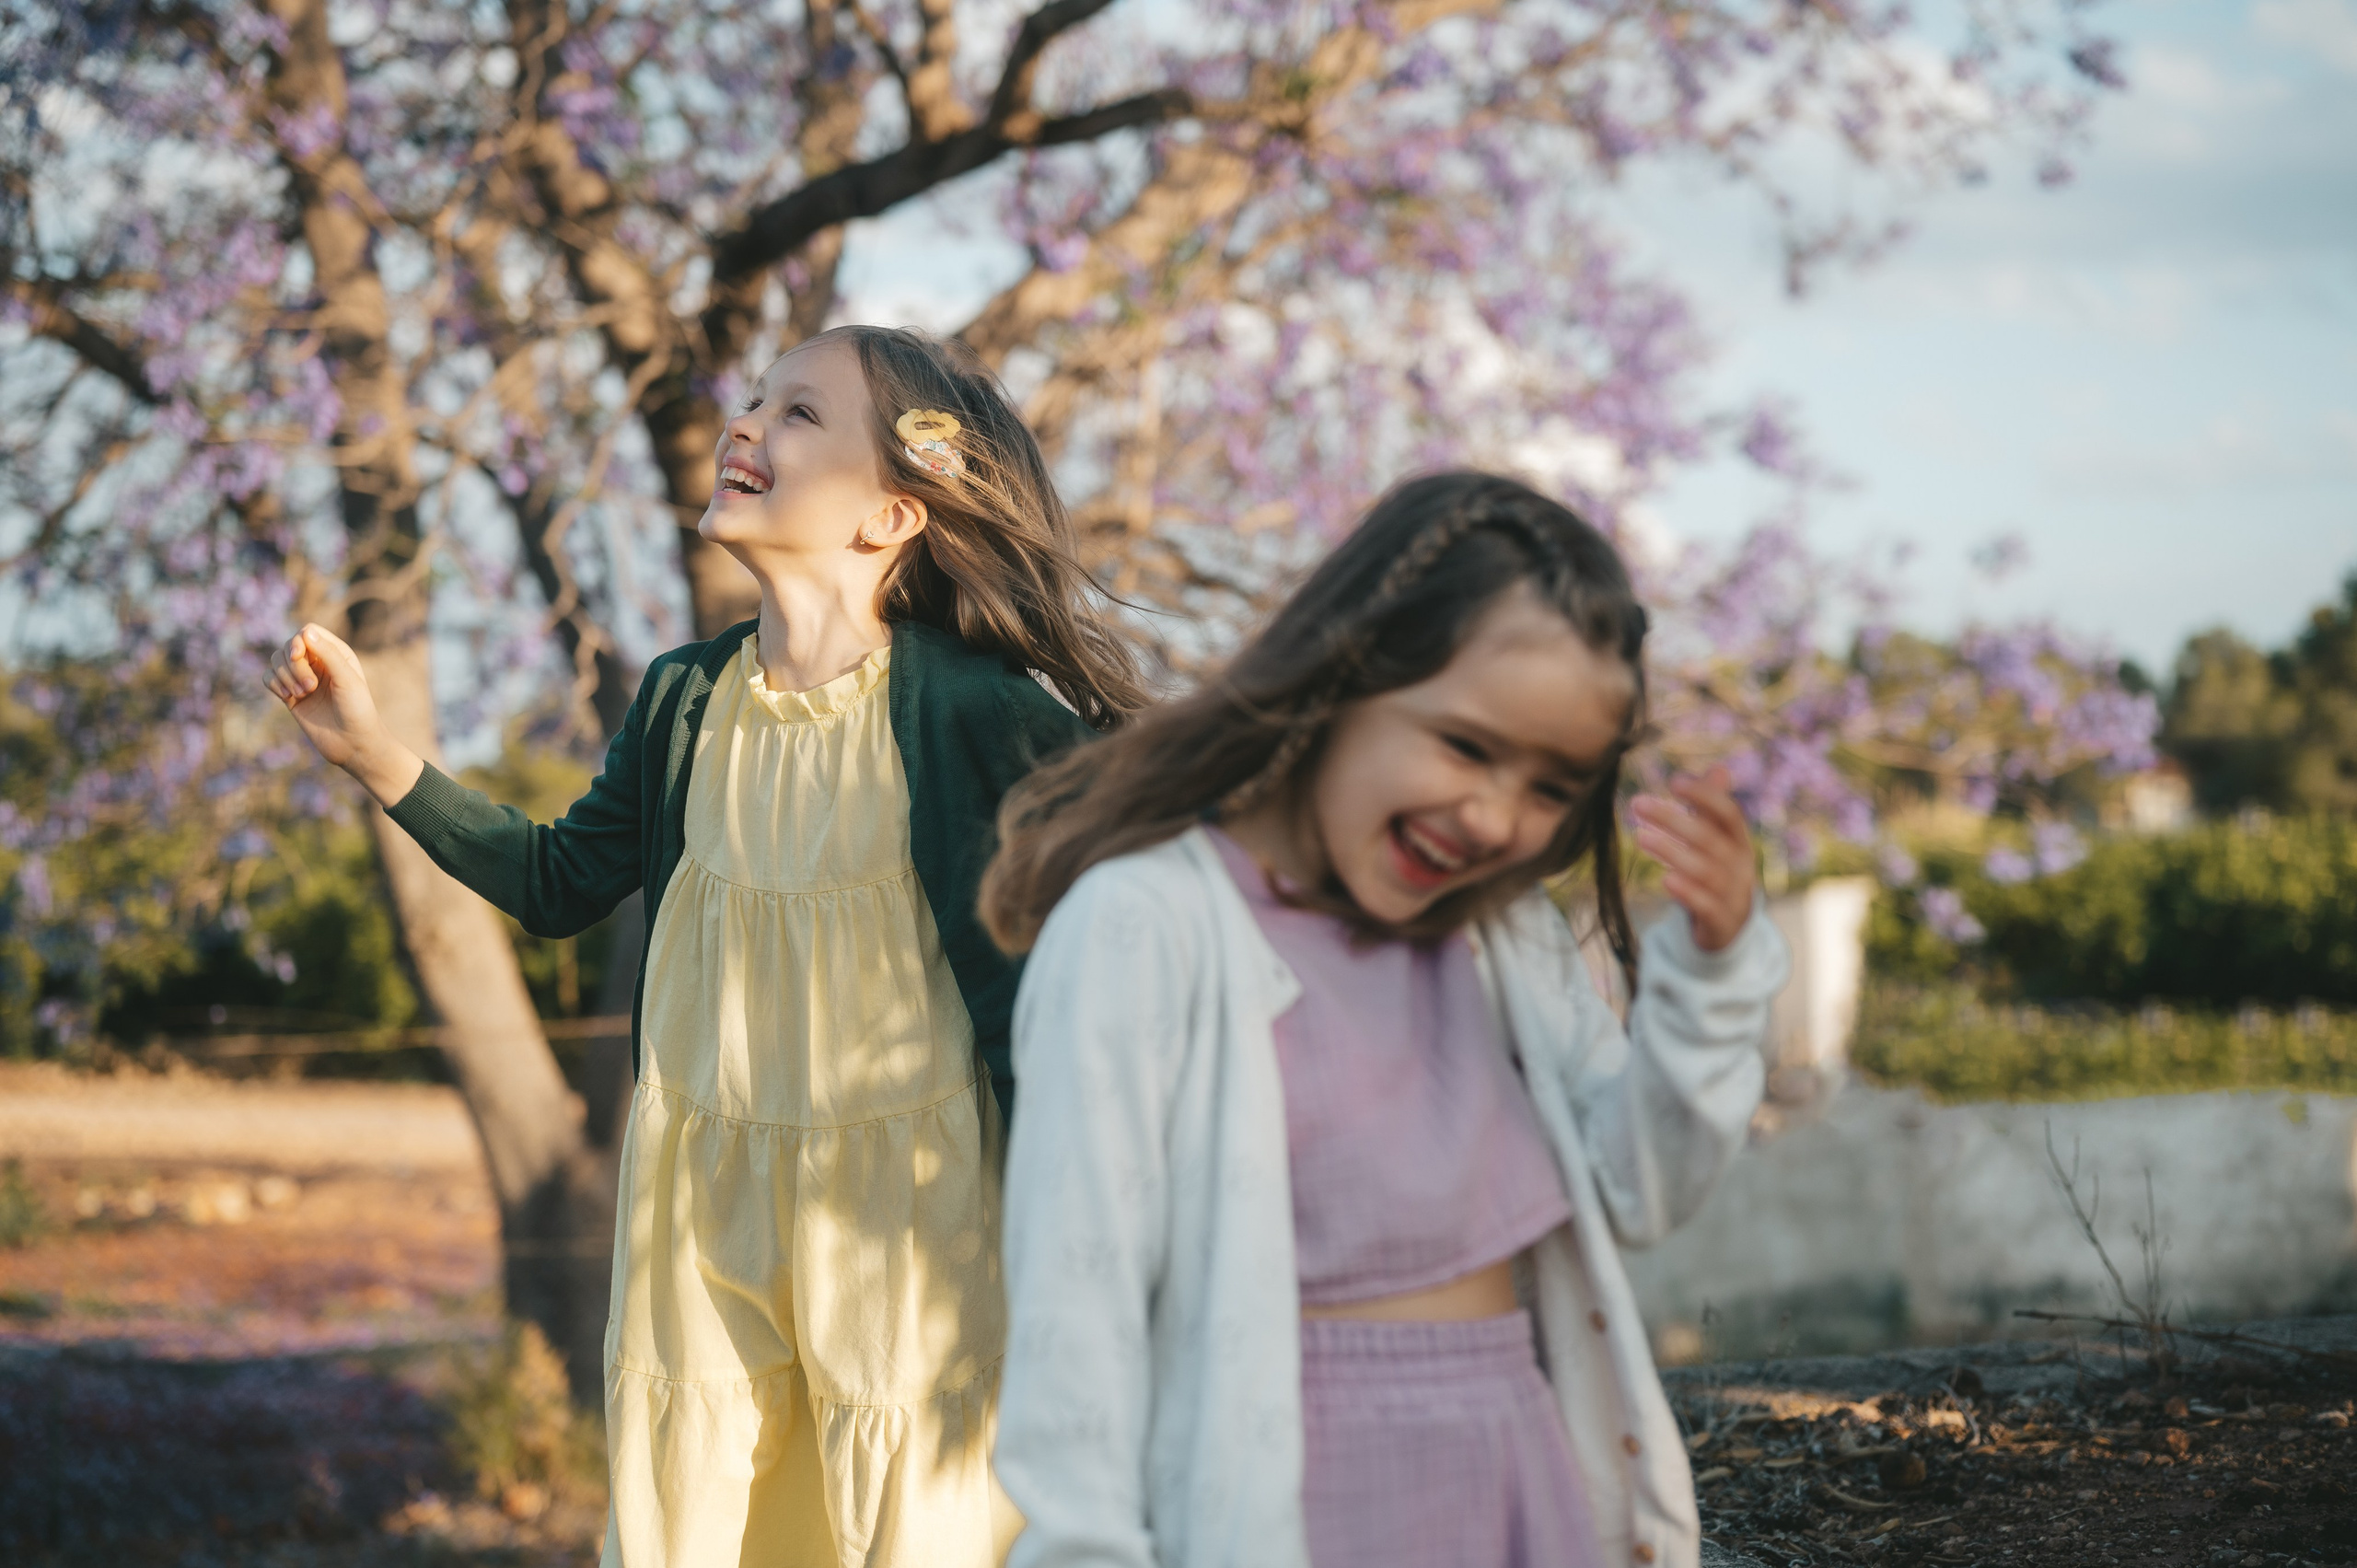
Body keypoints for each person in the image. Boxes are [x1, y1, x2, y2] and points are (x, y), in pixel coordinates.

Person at [267, 326, 1142, 1568]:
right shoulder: (684, 698)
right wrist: (374, 755)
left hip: (910, 1227)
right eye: (752, 399)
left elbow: (1058, 995)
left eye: (797, 414)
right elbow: (558, 879)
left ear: (891, 516)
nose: (744, 425)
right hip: (702, 1222)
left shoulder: (978, 710)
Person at [979, 471, 1790, 1568]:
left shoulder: (1500, 941)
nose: (1496, 816)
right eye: (1465, 746)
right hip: (1303, 1511)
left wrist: (1713, 971)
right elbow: (1081, 1308)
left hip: (1519, 1486)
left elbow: (1635, 1186)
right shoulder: (1148, 922)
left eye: (1553, 786)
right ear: (1344, 673)